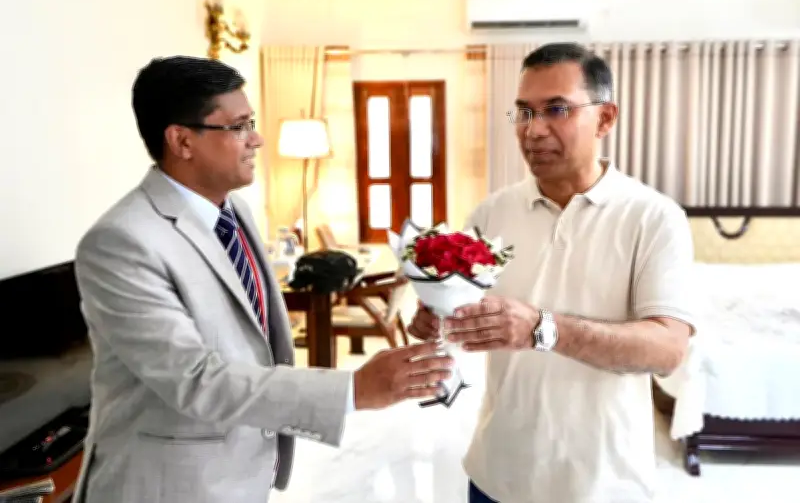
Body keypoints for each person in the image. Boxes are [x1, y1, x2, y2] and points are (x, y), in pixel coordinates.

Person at [72, 55, 453, 503]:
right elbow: (196, 380)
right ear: (182, 141)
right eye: (239, 126)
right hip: (167, 487)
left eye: (250, 123)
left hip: (239, 474)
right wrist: (354, 389)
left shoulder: (234, 211)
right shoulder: (122, 241)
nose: (257, 138)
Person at [409, 43, 696, 503]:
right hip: (496, 473)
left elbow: (668, 349)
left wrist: (543, 329)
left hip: (603, 484)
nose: (533, 129)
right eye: (523, 112)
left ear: (605, 118)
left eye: (557, 110)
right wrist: (438, 317)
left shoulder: (654, 217)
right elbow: (466, 318)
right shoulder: (491, 214)